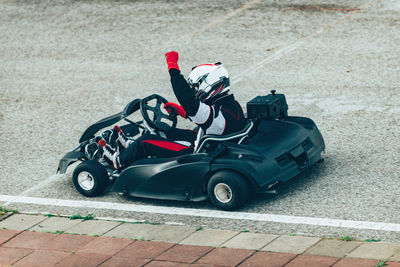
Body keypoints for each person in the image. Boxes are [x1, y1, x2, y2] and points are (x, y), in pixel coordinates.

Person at [97, 51, 246, 169]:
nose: (193, 91)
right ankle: (131, 148)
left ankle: (118, 161)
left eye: (194, 87)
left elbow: (188, 99)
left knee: (145, 141)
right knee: (164, 132)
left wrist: (173, 67)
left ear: (207, 85)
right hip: (214, 143)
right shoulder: (230, 105)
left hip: (197, 153)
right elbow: (205, 116)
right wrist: (182, 111)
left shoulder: (215, 114)